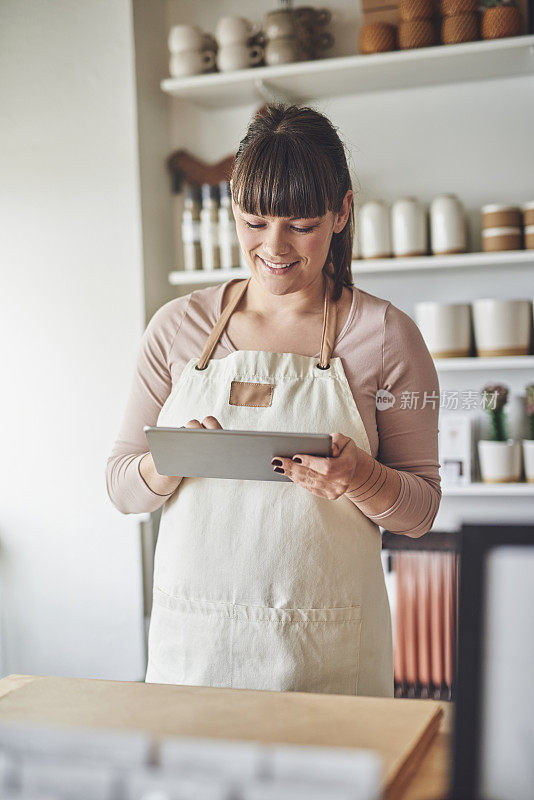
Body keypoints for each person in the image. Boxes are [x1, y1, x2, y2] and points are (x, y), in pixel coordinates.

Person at [106, 103, 441, 698]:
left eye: (301, 224)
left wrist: (361, 478)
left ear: (341, 211)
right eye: (254, 221)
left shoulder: (386, 336)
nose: (274, 247)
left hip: (327, 656)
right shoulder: (176, 328)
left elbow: (420, 513)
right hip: (197, 653)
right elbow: (121, 488)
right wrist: (172, 459)